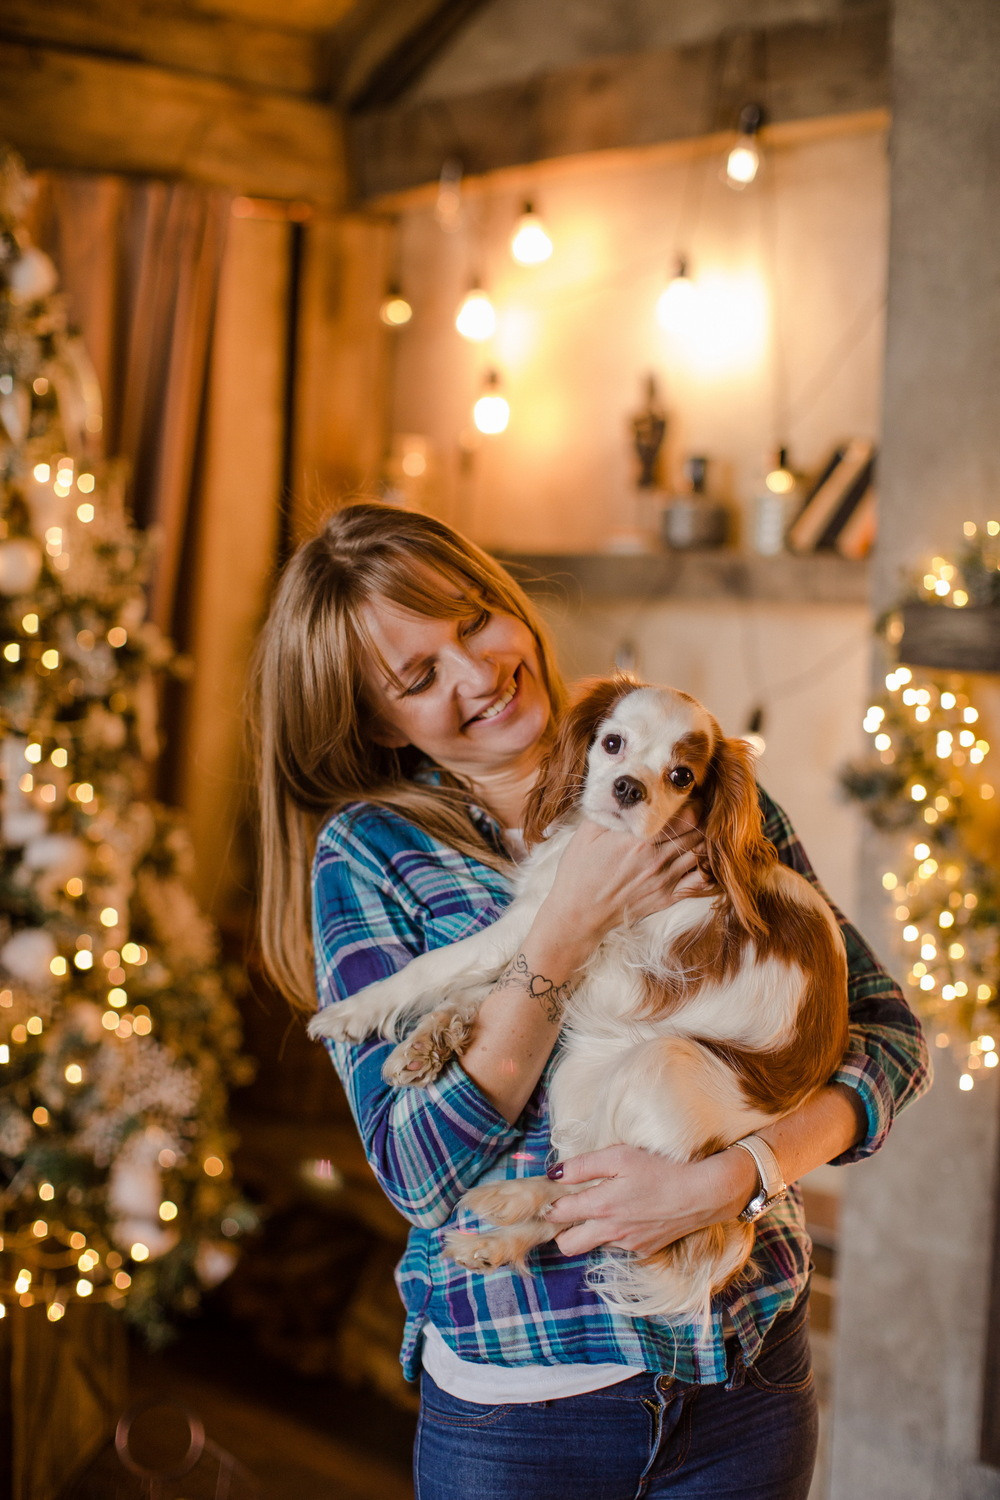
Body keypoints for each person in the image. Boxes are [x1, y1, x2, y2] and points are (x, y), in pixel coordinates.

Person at [254, 501, 930, 1500]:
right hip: (523, 1422)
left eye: (474, 620)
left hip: (745, 1379)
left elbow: (890, 1041)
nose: (479, 673)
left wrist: (737, 1176)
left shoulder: (696, 784)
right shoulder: (371, 855)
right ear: (372, 720)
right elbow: (419, 1175)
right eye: (419, 675)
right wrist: (563, 930)